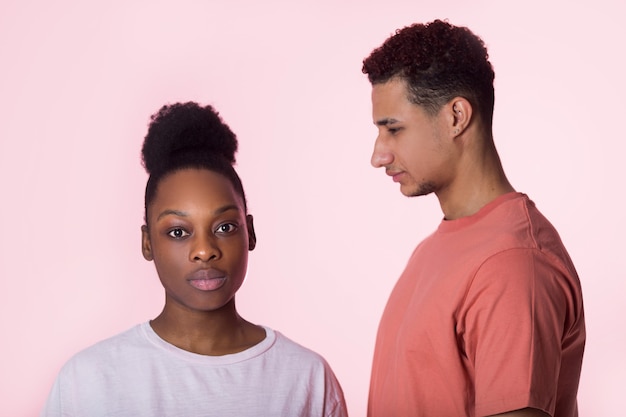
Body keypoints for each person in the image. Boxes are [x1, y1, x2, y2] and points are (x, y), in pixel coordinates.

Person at [40, 102, 348, 417]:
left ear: (250, 233)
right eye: (178, 232)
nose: (204, 250)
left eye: (225, 227)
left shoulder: (307, 379)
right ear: (147, 243)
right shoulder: (87, 382)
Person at [362, 20, 585, 417]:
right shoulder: (433, 250)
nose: (379, 155)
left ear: (456, 116)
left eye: (393, 129)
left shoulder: (512, 264)